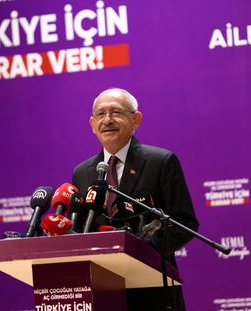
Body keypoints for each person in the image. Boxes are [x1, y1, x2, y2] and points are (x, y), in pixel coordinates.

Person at [72, 88, 199, 311]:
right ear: (92, 124)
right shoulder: (82, 173)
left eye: (116, 112)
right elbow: (83, 229)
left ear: (136, 119)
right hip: (102, 291)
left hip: (153, 292)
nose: (107, 120)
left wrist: (137, 250)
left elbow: (185, 223)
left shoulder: (161, 162)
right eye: (101, 114)